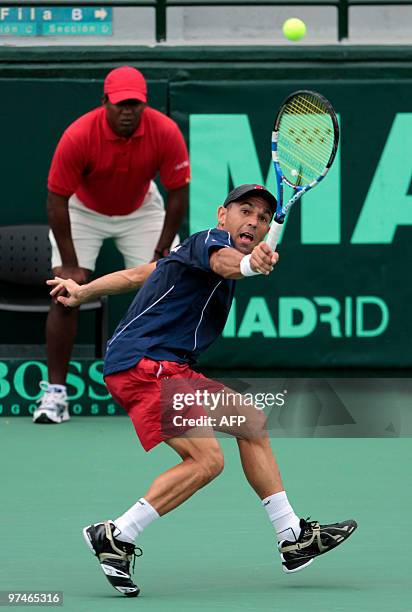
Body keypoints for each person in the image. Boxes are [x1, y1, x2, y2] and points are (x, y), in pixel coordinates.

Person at [47, 184, 357, 598]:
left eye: (263, 218)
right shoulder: (209, 243)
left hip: (170, 367)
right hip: (145, 364)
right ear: (222, 215)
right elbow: (228, 263)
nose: (254, 221)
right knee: (206, 460)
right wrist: (248, 264)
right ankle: (116, 534)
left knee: (250, 422)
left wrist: (84, 291)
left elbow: (142, 273)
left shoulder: (186, 256)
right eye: (245, 210)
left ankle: (292, 537)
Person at [33, 65, 190, 425]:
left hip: (141, 210)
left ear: (144, 105)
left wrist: (162, 251)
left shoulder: (164, 132)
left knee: (171, 286)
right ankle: (55, 393)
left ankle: (166, 388)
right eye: (120, 104)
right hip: (83, 210)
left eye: (134, 105)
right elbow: (56, 201)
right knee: (65, 293)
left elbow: (178, 194)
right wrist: (71, 265)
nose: (127, 112)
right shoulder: (79, 135)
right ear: (105, 102)